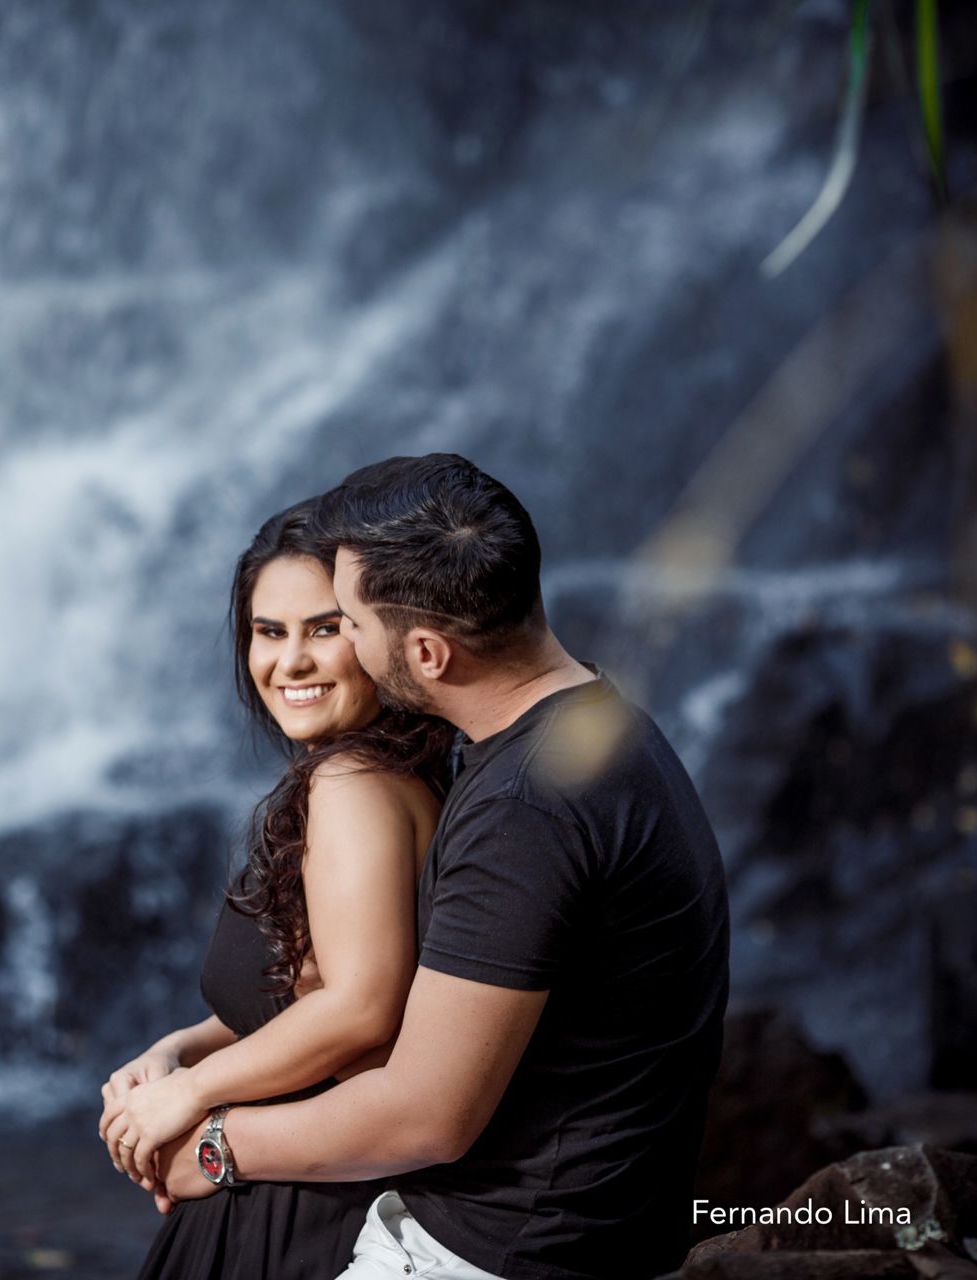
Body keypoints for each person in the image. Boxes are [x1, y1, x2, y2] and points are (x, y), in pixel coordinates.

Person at [149, 454, 732, 1280]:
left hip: (497, 1252)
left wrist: (211, 1150)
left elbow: (427, 1114)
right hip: (577, 1229)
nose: (331, 646)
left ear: (424, 654)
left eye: (345, 622)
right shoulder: (591, 728)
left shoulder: (525, 809)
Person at [98, 498, 453, 1280]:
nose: (290, 662)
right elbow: (311, 983)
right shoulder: (384, 770)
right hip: (297, 1194)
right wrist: (179, 1050)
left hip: (302, 1216)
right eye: (269, 631)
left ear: (379, 635)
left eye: (325, 629)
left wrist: (192, 1097)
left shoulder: (354, 783)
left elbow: (363, 1007)